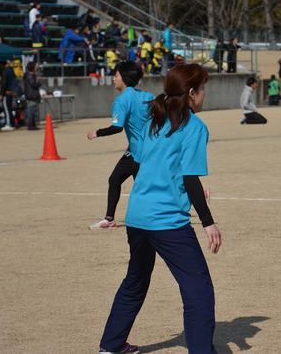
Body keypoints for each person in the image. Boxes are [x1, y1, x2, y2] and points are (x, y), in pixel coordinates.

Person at [98, 64, 222, 354]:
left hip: (137, 215)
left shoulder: (155, 119)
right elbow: (190, 178)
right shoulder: (194, 127)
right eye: (202, 90)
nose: (204, 96)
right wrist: (208, 222)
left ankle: (111, 345)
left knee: (136, 280)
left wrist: (174, 182)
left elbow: (147, 165)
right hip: (166, 221)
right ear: (191, 93)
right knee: (198, 290)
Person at [87, 62, 153, 229]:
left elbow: (117, 127)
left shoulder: (122, 100)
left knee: (143, 188)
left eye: (116, 76)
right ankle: (109, 218)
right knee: (116, 179)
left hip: (139, 153)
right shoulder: (148, 96)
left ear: (123, 78)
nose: (113, 79)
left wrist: (97, 132)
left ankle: (193, 196)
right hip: (145, 150)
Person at [23, 62, 42, 131]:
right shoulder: (29, 75)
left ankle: (33, 125)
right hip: (31, 95)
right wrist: (39, 83)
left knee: (33, 110)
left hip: (33, 94)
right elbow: (34, 84)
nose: (37, 67)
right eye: (36, 66)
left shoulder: (32, 75)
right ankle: (30, 125)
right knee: (31, 110)